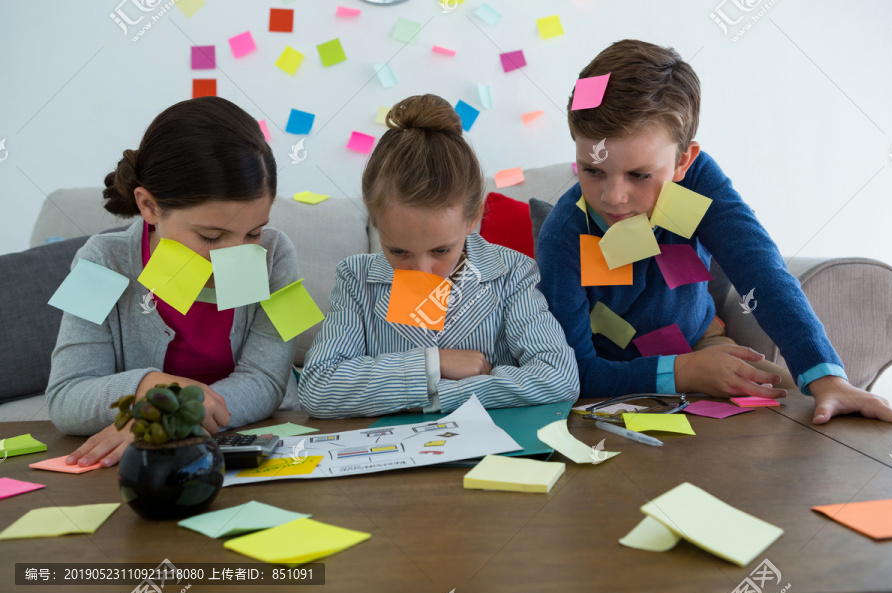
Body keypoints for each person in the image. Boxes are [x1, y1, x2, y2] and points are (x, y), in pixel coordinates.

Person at [537, 39, 892, 425]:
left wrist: (826, 376)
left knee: (799, 406)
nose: (613, 197)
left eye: (639, 175)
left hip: (704, 343)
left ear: (683, 162)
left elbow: (759, 269)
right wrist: (683, 372)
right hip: (614, 377)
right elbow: (573, 372)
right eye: (592, 171)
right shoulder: (565, 235)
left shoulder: (696, 183)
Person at [47, 96, 300, 466]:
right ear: (149, 206)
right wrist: (145, 386)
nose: (234, 256)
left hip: (260, 447)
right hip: (150, 462)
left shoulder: (275, 255)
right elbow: (65, 398)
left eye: (253, 232)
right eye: (212, 237)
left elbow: (266, 381)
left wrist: (171, 415)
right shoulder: (101, 261)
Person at [297, 94, 579, 418]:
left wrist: (437, 395)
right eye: (398, 251)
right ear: (375, 224)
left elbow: (558, 377)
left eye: (440, 250)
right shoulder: (356, 280)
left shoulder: (511, 273)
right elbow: (318, 388)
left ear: (474, 218)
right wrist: (434, 362)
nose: (422, 271)